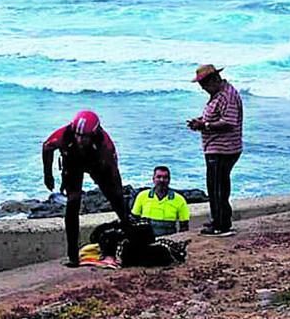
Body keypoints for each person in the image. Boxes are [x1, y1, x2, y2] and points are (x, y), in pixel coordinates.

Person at [42, 110, 128, 267]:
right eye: (77, 135)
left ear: (94, 134)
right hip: (73, 163)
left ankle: (130, 232)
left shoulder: (105, 145)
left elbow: (114, 173)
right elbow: (47, 148)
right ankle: (73, 255)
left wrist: (116, 191)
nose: (80, 139)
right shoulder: (64, 134)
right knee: (72, 205)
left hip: (98, 164)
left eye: (84, 136)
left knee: (116, 200)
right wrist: (48, 175)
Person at [186, 64, 243, 237]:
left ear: (214, 79)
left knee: (217, 187)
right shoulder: (219, 95)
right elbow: (219, 116)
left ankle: (221, 225)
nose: (202, 87)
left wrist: (205, 125)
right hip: (217, 147)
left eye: (204, 83)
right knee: (218, 185)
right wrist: (202, 121)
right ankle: (220, 220)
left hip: (223, 149)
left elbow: (229, 122)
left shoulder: (227, 96)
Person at [130, 166, 190, 236]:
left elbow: (184, 226)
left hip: (168, 239)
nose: (162, 180)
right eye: (158, 177)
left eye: (165, 177)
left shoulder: (179, 199)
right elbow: (134, 220)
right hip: (146, 239)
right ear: (153, 179)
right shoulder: (142, 196)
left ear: (169, 180)